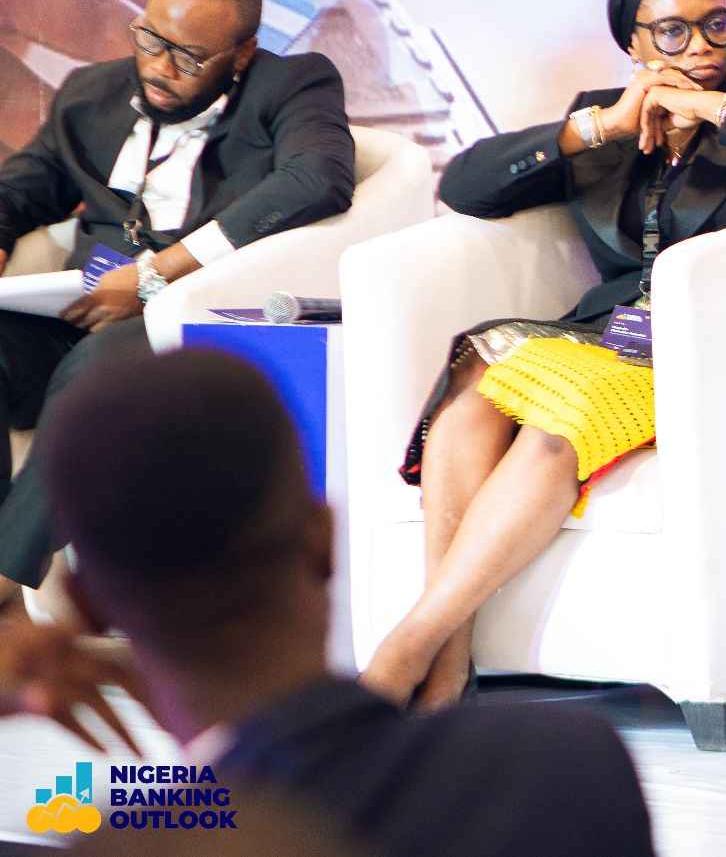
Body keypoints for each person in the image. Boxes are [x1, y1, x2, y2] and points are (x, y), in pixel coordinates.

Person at [361, 0, 726, 710]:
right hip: (599, 336)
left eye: (717, 24)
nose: (701, 46)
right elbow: (465, 186)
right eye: (673, 32)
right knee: (467, 411)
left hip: (698, 347)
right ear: (633, 43)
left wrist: (716, 111)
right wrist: (599, 128)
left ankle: (409, 647)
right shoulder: (605, 120)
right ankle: (450, 661)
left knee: (552, 433)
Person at [39, 345, 657, 857]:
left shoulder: (136, 842)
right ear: (326, 536)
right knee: (469, 413)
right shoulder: (570, 765)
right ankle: (434, 663)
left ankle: (416, 651)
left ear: (85, 607)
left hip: (636, 352)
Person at [0, 0, 355, 596]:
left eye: (189, 57)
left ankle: (5, 577)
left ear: (242, 53)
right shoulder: (89, 93)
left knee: (102, 368)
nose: (160, 67)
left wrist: (155, 276)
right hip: (79, 312)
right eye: (151, 40)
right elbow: (22, 191)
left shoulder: (292, 85)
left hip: (194, 323)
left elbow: (317, 177)